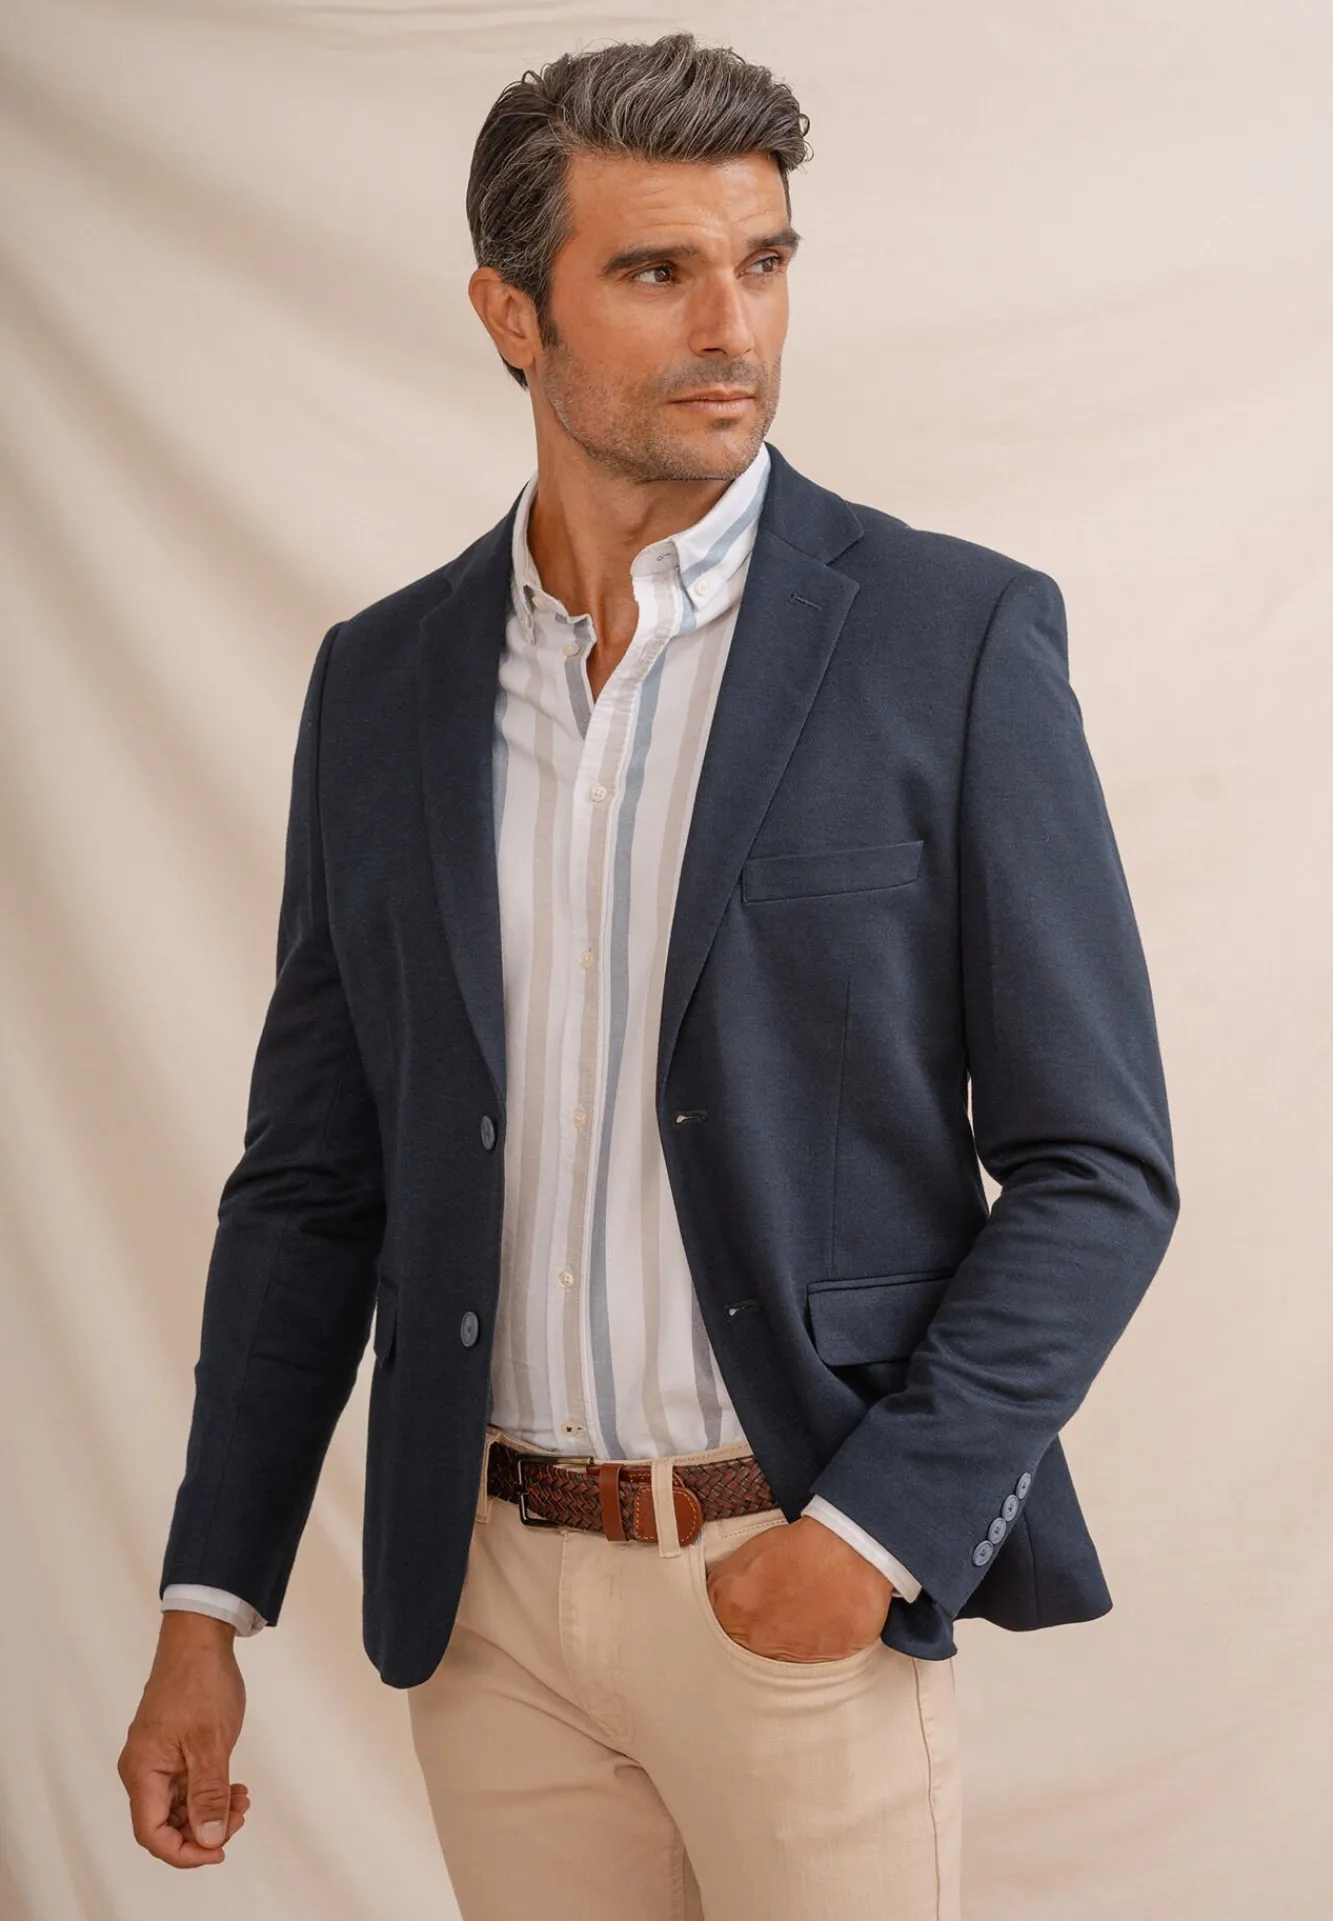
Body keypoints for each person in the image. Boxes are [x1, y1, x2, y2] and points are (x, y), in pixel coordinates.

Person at [117, 31, 1179, 1921]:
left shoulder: (948, 639)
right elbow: (311, 1185)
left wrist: (874, 1532)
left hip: (793, 1584)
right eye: (656, 271)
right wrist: (211, 1602)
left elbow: (1098, 1168)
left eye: (763, 263)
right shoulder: (384, 686)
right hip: (491, 1614)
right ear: (509, 315)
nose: (731, 327)